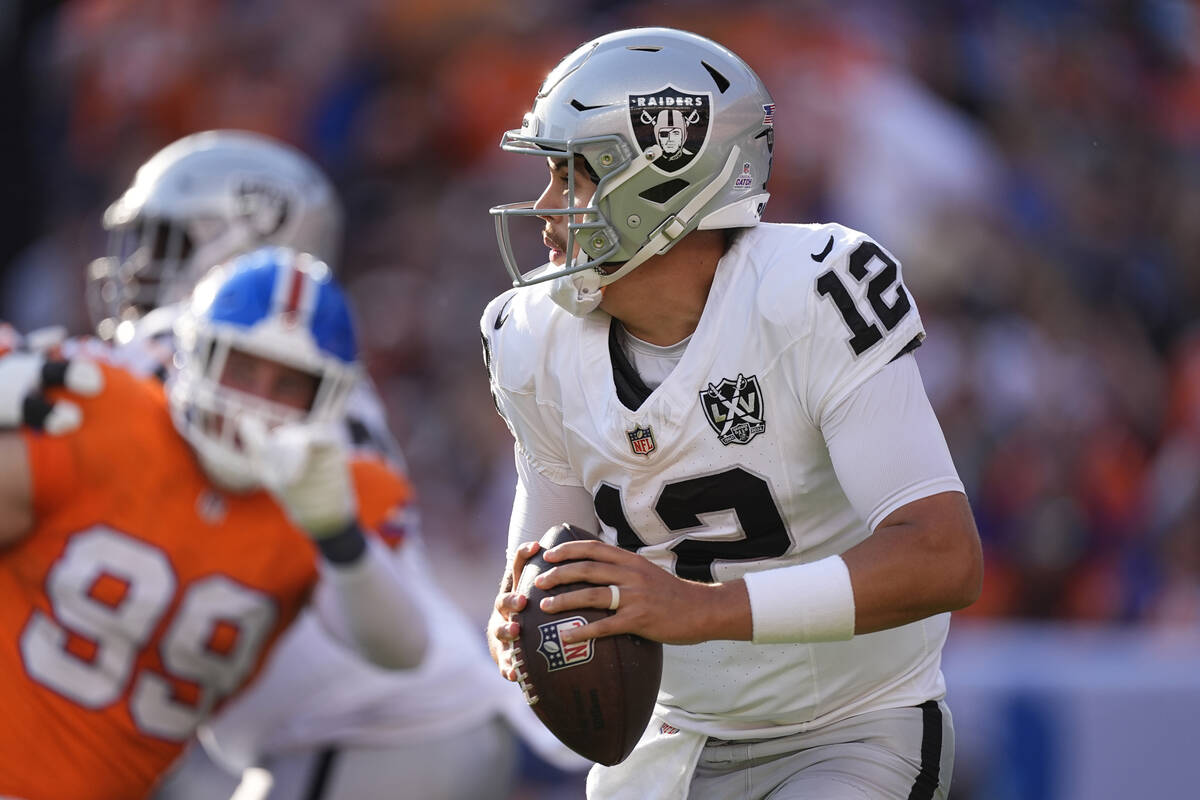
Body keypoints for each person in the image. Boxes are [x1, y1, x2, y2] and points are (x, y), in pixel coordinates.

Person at [481, 27, 984, 800]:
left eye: (572, 175)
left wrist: (699, 609)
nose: (547, 206)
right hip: (669, 739)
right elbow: (552, 563)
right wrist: (521, 625)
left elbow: (942, 557)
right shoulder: (532, 337)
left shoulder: (813, 292)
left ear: (661, 178)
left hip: (850, 726)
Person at [82, 130, 560, 800]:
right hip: (392, 724)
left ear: (244, 236)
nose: (137, 273)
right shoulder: (313, 379)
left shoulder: (209, 362)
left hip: (378, 732)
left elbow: (80, 395)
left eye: (168, 242)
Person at [0, 247, 429, 800]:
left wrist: (336, 532)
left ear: (330, 398)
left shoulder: (332, 498)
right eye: (242, 367)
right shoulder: (105, 411)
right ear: (197, 354)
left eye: (288, 385)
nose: (255, 404)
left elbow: (404, 650)